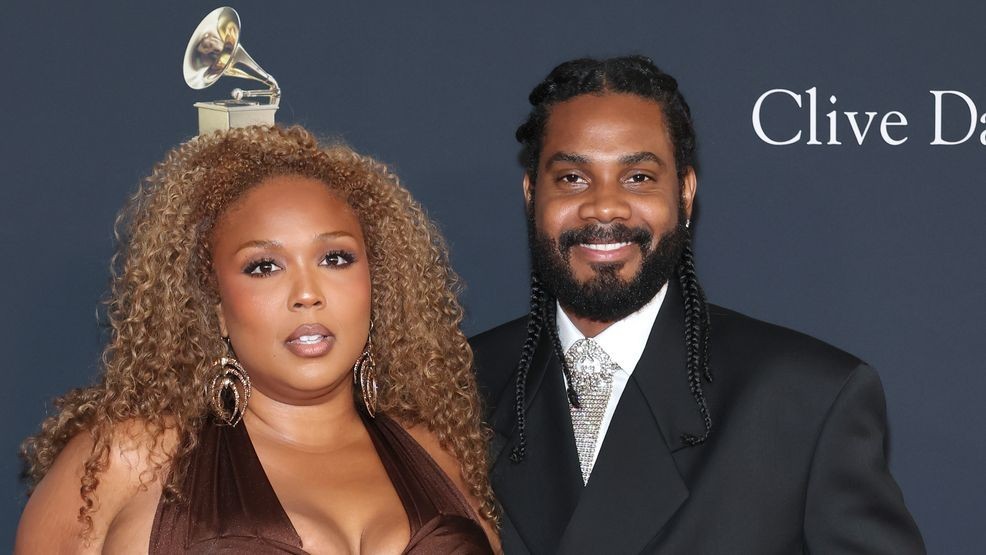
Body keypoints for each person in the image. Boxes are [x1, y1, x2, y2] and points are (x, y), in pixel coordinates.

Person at [470, 56, 924, 554]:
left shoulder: (807, 399)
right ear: (531, 194)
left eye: (638, 177)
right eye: (573, 177)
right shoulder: (457, 387)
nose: (604, 205)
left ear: (684, 193)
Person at [17, 125, 499, 554]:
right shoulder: (127, 460)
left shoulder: (438, 454)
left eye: (335, 259)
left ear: (377, 282)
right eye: (264, 267)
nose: (307, 293)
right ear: (216, 306)